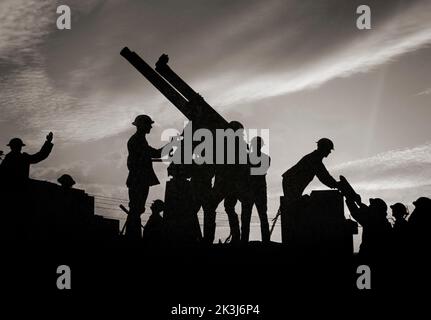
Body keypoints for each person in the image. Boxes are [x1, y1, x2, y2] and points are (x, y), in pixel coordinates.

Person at [125, 114, 176, 241]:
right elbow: (155, 153)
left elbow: (153, 154)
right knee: (136, 209)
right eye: (149, 125)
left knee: (136, 209)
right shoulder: (137, 141)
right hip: (139, 180)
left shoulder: (139, 140)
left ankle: (132, 237)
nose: (151, 127)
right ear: (142, 126)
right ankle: (133, 238)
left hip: (138, 180)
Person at [205, 121, 252, 244]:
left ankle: (209, 238)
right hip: (232, 184)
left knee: (212, 207)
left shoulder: (226, 144)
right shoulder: (241, 145)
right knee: (228, 207)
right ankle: (236, 236)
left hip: (224, 183)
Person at [281, 138, 339, 203]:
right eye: (329, 149)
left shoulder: (315, 158)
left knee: (296, 204)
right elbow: (324, 177)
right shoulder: (314, 159)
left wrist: (335, 184)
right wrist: (336, 184)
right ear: (324, 148)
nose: (330, 152)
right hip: (290, 182)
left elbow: (324, 176)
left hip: (290, 181)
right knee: (295, 204)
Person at [242, 136, 270, 243]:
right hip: (252, 191)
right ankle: (245, 240)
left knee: (261, 216)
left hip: (256, 191)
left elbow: (259, 171)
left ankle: (265, 241)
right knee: (247, 218)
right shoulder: (246, 158)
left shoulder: (264, 158)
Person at [346, 197, 392, 262]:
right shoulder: (385, 223)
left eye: (371, 206)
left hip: (368, 257)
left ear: (375, 210)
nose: (369, 207)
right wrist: (360, 204)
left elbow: (356, 213)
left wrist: (350, 199)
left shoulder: (371, 222)